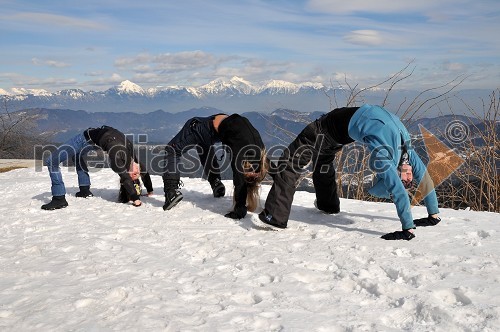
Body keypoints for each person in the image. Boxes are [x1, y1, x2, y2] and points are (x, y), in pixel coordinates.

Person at [259, 104, 440, 240]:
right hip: (335, 134)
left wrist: (407, 229)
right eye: (409, 178)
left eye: (405, 180)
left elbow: (398, 191)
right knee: (323, 162)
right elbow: (425, 180)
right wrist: (433, 216)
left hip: (323, 130)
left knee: (290, 164)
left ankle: (275, 216)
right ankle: (328, 205)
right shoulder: (407, 152)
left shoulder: (385, 157)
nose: (409, 177)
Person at [162, 114, 267, 219]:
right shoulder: (261, 158)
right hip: (216, 130)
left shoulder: (258, 154)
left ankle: (171, 191)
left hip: (210, 127)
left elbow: (239, 181)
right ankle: (215, 182)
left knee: (172, 150)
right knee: (203, 144)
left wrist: (240, 210)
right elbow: (276, 174)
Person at [41, 125, 153, 210]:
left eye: (134, 174)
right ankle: (84, 190)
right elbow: (144, 172)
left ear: (128, 172)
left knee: (51, 161)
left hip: (84, 139)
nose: (137, 172)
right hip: (94, 142)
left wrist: (135, 199)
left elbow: (125, 179)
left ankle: (59, 198)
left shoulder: (117, 157)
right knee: (77, 155)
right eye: (137, 174)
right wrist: (150, 189)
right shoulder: (134, 160)